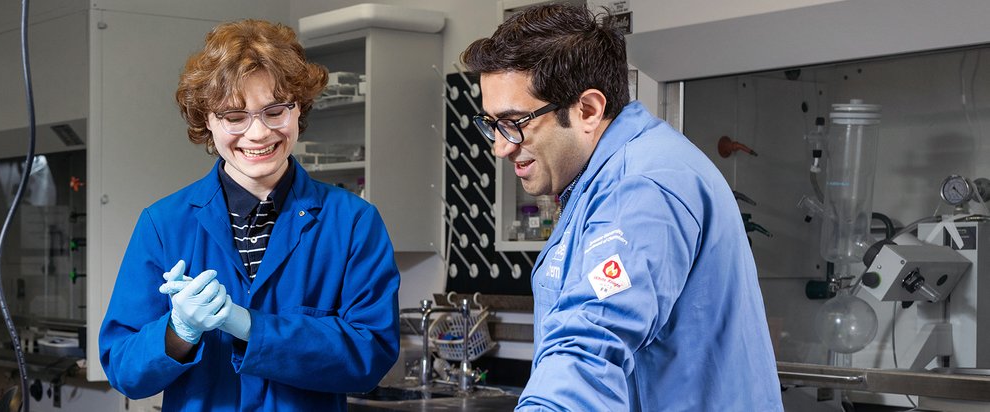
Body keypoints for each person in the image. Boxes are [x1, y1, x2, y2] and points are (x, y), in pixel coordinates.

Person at [462, 4, 782, 411]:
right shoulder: (604, 182)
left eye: (513, 122)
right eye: (491, 124)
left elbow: (589, 344)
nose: (500, 146)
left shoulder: (641, 188)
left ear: (588, 110)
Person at [98, 19, 400, 411]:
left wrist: (250, 327)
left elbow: (370, 354)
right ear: (207, 120)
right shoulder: (164, 224)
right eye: (234, 116)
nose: (258, 134)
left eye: (275, 111)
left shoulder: (353, 222)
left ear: (299, 110)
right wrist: (178, 331)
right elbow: (124, 369)